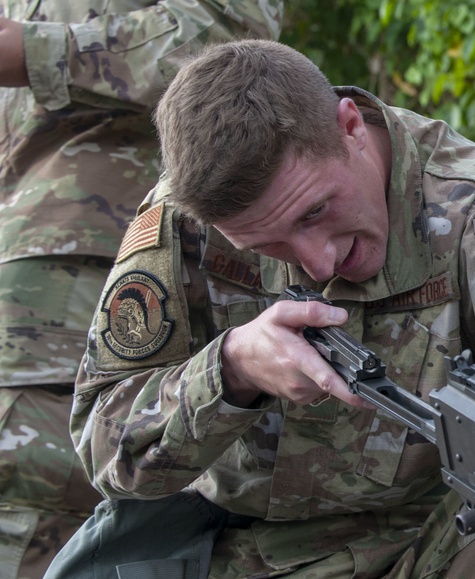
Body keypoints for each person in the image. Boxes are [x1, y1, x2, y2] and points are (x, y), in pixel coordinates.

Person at [52, 39, 475, 579]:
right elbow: (104, 443)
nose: (318, 262)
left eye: (314, 211)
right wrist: (230, 370)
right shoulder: (183, 223)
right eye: (267, 246)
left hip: (435, 543)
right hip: (237, 551)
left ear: (349, 126)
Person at [0, 3, 283, 576]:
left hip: (113, 256)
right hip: (18, 251)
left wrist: (36, 51)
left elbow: (234, 46)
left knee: (39, 485)